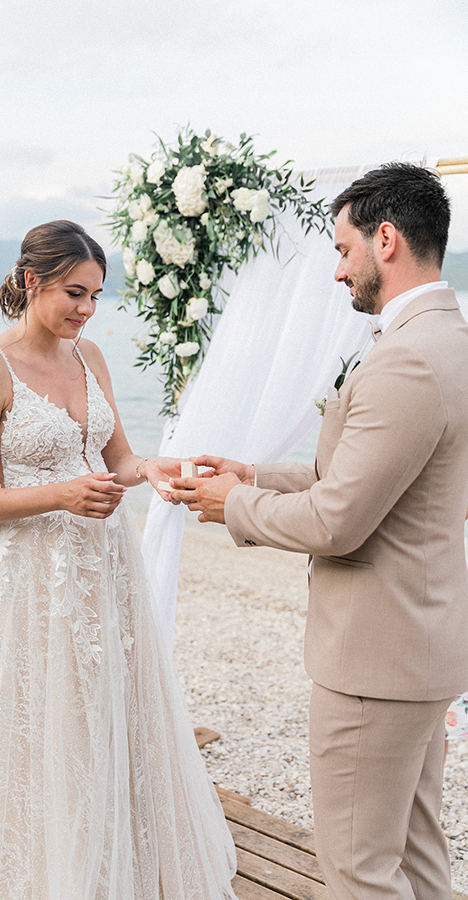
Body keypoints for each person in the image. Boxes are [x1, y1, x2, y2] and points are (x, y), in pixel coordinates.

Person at [0, 220, 236, 900]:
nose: (87, 310)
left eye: (96, 295)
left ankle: (110, 854)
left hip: (103, 568)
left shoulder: (90, 356)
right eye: (75, 293)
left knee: (100, 710)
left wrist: (150, 469)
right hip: (25, 580)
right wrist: (60, 495)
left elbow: (116, 458)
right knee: (31, 724)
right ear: (31, 280)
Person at [171, 164, 468, 899]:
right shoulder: (449, 342)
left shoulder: (405, 361)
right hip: (420, 646)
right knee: (418, 856)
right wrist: (254, 474)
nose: (337, 271)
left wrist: (228, 506)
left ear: (387, 239)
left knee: (360, 871)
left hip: (375, 658)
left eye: (343, 249)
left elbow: (338, 521)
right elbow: (377, 483)